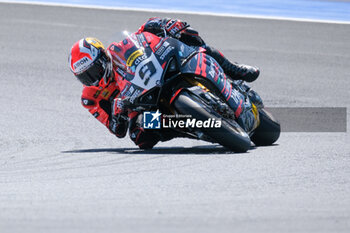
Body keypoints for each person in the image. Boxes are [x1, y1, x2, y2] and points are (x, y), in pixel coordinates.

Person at [68, 17, 260, 149]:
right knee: (140, 137)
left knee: (192, 42)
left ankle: (232, 68)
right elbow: (117, 131)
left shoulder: (119, 49)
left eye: (94, 71)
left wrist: (167, 25)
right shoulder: (90, 99)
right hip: (141, 107)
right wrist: (119, 112)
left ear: (103, 58)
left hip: (156, 76)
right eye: (85, 77)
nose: (92, 79)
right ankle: (194, 127)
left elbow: (142, 36)